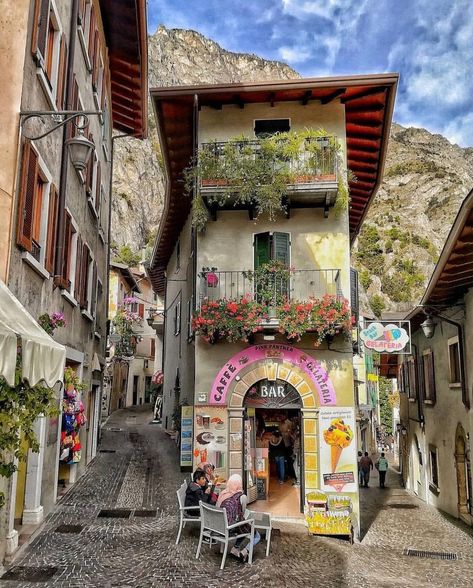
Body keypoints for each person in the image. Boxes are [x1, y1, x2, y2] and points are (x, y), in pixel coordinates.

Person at [217, 474, 260, 562]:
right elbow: (243, 512)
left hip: (219, 526)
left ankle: (235, 549)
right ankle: (245, 551)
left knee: (243, 526)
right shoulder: (242, 497)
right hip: (230, 528)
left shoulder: (222, 493)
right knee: (255, 534)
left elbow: (218, 508)